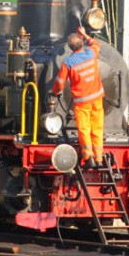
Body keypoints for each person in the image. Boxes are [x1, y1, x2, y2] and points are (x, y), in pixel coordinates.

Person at [50, 26, 104, 169]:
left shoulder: (68, 63)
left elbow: (60, 83)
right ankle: (99, 158)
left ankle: (88, 157)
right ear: (81, 44)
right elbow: (97, 44)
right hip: (97, 99)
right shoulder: (91, 54)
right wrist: (85, 34)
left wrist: (54, 92)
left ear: (70, 47)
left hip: (82, 102)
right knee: (97, 128)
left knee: (84, 129)